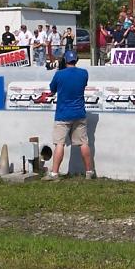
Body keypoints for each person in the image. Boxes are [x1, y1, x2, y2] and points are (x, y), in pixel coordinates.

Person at [47, 49, 95, 180]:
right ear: (76, 60)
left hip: (63, 114)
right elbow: (82, 85)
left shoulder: (59, 74)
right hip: (79, 113)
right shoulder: (84, 73)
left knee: (59, 144)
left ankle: (54, 173)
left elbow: (52, 90)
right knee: (84, 143)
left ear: (65, 60)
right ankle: (89, 172)